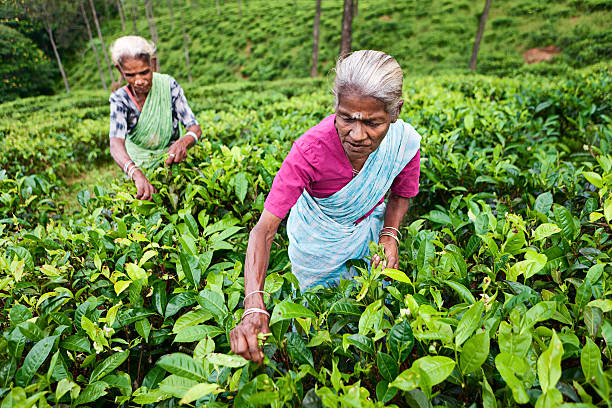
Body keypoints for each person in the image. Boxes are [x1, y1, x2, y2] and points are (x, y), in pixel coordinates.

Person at [230, 50, 421, 364]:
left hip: (367, 232)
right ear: (336, 106)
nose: (357, 135)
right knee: (314, 321)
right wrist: (253, 306)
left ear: (395, 111)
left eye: (373, 122)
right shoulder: (310, 149)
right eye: (346, 118)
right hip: (316, 244)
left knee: (368, 316)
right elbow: (264, 230)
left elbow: (401, 194)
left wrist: (389, 235)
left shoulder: (404, 144)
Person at [108, 36, 202, 200]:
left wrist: (183, 142)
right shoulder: (120, 99)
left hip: (173, 163)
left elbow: (194, 127)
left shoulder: (168, 86)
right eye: (130, 75)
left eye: (144, 72)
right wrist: (135, 173)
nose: (139, 81)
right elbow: (115, 143)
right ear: (119, 71)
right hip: (138, 167)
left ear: (154, 64)